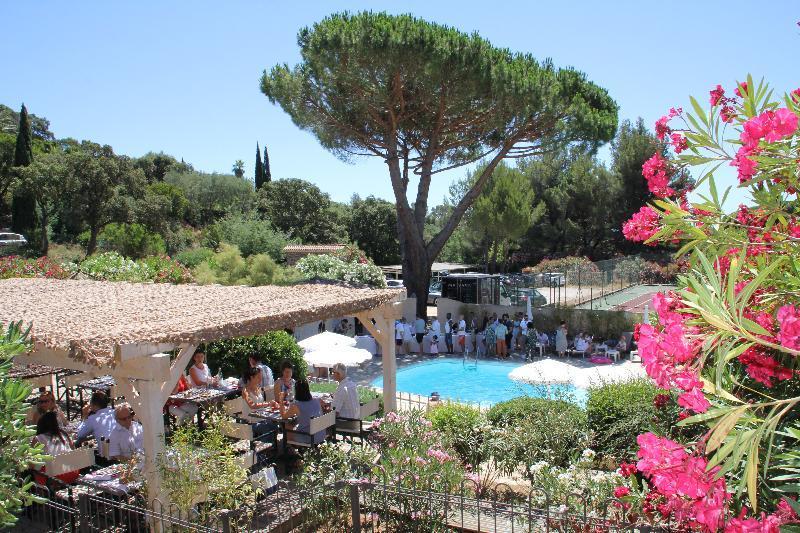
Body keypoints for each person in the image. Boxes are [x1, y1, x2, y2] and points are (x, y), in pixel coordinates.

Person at [32, 412, 79, 484]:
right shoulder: (64, 435)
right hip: (73, 471)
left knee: (35, 468)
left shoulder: (38, 438)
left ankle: (40, 489)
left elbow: (32, 463)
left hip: (55, 477)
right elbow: (74, 451)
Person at [280, 379, 325, 445]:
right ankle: (298, 447)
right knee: (295, 423)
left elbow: (283, 416)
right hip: (321, 434)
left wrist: (281, 400)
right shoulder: (317, 400)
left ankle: (290, 448)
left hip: (310, 437)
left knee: (287, 425)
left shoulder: (296, 405)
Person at [242, 367, 279, 436]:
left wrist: (272, 404)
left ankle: (270, 444)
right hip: (251, 422)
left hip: (261, 418)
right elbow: (252, 405)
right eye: (258, 377)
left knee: (275, 425)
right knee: (270, 428)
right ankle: (265, 444)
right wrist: (268, 404)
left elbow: (261, 403)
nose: (261, 379)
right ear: (252, 377)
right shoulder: (245, 391)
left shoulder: (258, 388)